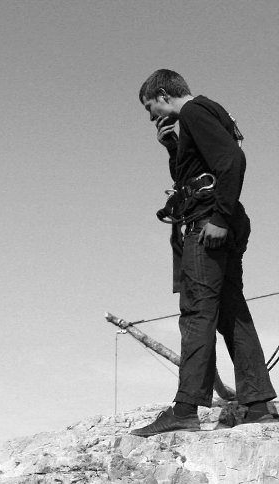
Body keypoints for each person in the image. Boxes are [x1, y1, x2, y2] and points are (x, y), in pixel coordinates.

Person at [131, 69, 276, 437]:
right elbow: (193, 177)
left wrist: (220, 218)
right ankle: (259, 404)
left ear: (162, 94)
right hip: (219, 218)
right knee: (231, 311)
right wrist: (173, 147)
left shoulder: (194, 111)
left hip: (209, 222)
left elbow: (232, 162)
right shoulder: (207, 113)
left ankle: (184, 410)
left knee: (197, 313)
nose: (151, 117)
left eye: (150, 107)